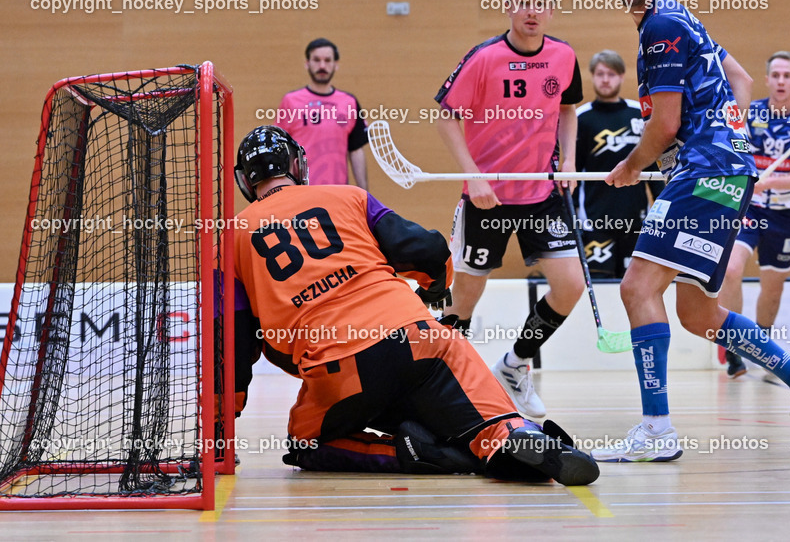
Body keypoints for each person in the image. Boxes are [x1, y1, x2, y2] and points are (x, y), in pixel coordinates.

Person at [592, 0, 790, 463]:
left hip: (706, 172)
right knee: (699, 313)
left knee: (637, 289)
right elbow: (741, 77)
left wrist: (630, 167)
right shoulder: (681, 16)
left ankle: (657, 429)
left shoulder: (660, 24)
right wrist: (728, 134)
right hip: (727, 170)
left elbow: (664, 125)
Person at [230, 125, 599, 485]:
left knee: (305, 445)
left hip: (337, 367)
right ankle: (511, 434)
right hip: (419, 338)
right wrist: (435, 286)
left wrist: (222, 423)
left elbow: (232, 344)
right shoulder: (349, 196)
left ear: (245, 181)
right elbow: (428, 250)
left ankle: (413, 453)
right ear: (298, 164)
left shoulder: (233, 237)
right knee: (487, 414)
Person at [435, 0, 585, 420]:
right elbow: (446, 115)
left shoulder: (564, 56)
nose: (532, 10)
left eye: (541, 2)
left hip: (542, 196)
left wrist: (571, 161)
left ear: (552, 8)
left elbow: (568, 110)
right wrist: (473, 175)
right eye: (523, 1)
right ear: (509, 6)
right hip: (487, 202)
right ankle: (442, 385)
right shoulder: (483, 58)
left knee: (570, 287)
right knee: (463, 300)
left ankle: (515, 365)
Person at [719, 51, 790, 379]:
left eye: (787, 76)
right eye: (775, 75)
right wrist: (748, 179)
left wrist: (772, 181)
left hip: (784, 214)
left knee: (772, 288)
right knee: (731, 271)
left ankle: (761, 344)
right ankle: (733, 347)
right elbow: (732, 153)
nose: (780, 81)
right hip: (748, 210)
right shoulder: (750, 113)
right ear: (767, 78)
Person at [575, 49, 663, 279]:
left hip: (636, 221)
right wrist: (572, 216)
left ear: (622, 77)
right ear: (592, 76)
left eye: (611, 74)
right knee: (600, 286)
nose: (605, 79)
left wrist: (662, 205)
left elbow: (652, 165)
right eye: (600, 73)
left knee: (634, 286)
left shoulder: (639, 114)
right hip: (595, 221)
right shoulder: (581, 118)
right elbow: (573, 170)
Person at [275, 38, 369, 190]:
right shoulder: (290, 101)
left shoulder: (349, 102)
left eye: (327, 60)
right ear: (307, 63)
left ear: (335, 65)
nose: (322, 66)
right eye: (317, 60)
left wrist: (365, 197)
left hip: (337, 194)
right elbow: (279, 149)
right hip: (301, 193)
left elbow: (356, 150)